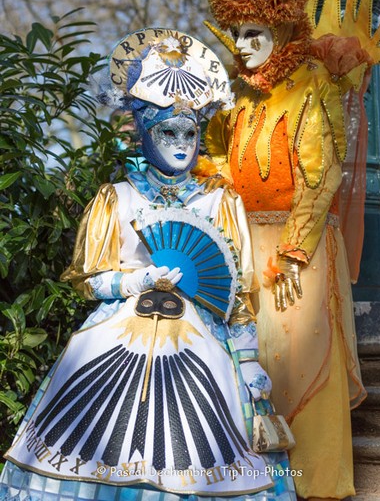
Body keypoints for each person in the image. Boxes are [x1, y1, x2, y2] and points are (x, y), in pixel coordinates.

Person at [0, 27, 297, 501]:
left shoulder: (219, 201)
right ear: (144, 132)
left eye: (189, 132)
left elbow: (237, 296)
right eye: (167, 131)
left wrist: (248, 361)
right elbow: (86, 281)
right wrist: (136, 278)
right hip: (117, 334)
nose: (181, 142)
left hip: (204, 343)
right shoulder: (115, 198)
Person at [203, 0, 380, 501]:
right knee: (251, 365)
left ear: (284, 28)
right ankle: (257, 484)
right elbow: (217, 164)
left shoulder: (314, 86)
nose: (241, 48)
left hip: (299, 252)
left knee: (300, 362)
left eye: (254, 34)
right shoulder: (236, 96)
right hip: (241, 246)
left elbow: (321, 176)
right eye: (236, 34)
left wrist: (292, 250)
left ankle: (314, 485)